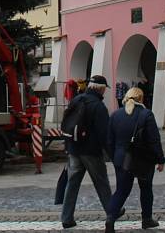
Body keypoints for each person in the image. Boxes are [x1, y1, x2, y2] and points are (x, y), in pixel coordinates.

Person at [106, 87, 165, 232]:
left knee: (121, 190)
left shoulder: (115, 115)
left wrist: (115, 157)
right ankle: (146, 219)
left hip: (122, 159)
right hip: (144, 159)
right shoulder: (146, 114)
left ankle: (110, 218)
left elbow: (109, 141)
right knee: (146, 189)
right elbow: (154, 140)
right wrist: (160, 159)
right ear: (141, 99)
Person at [60, 74, 114, 230]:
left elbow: (68, 123)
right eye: (104, 89)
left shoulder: (77, 99)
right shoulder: (98, 106)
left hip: (74, 149)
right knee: (101, 182)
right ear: (101, 89)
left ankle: (66, 217)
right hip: (91, 152)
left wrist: (68, 146)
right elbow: (105, 134)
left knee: (72, 183)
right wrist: (111, 154)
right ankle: (112, 212)